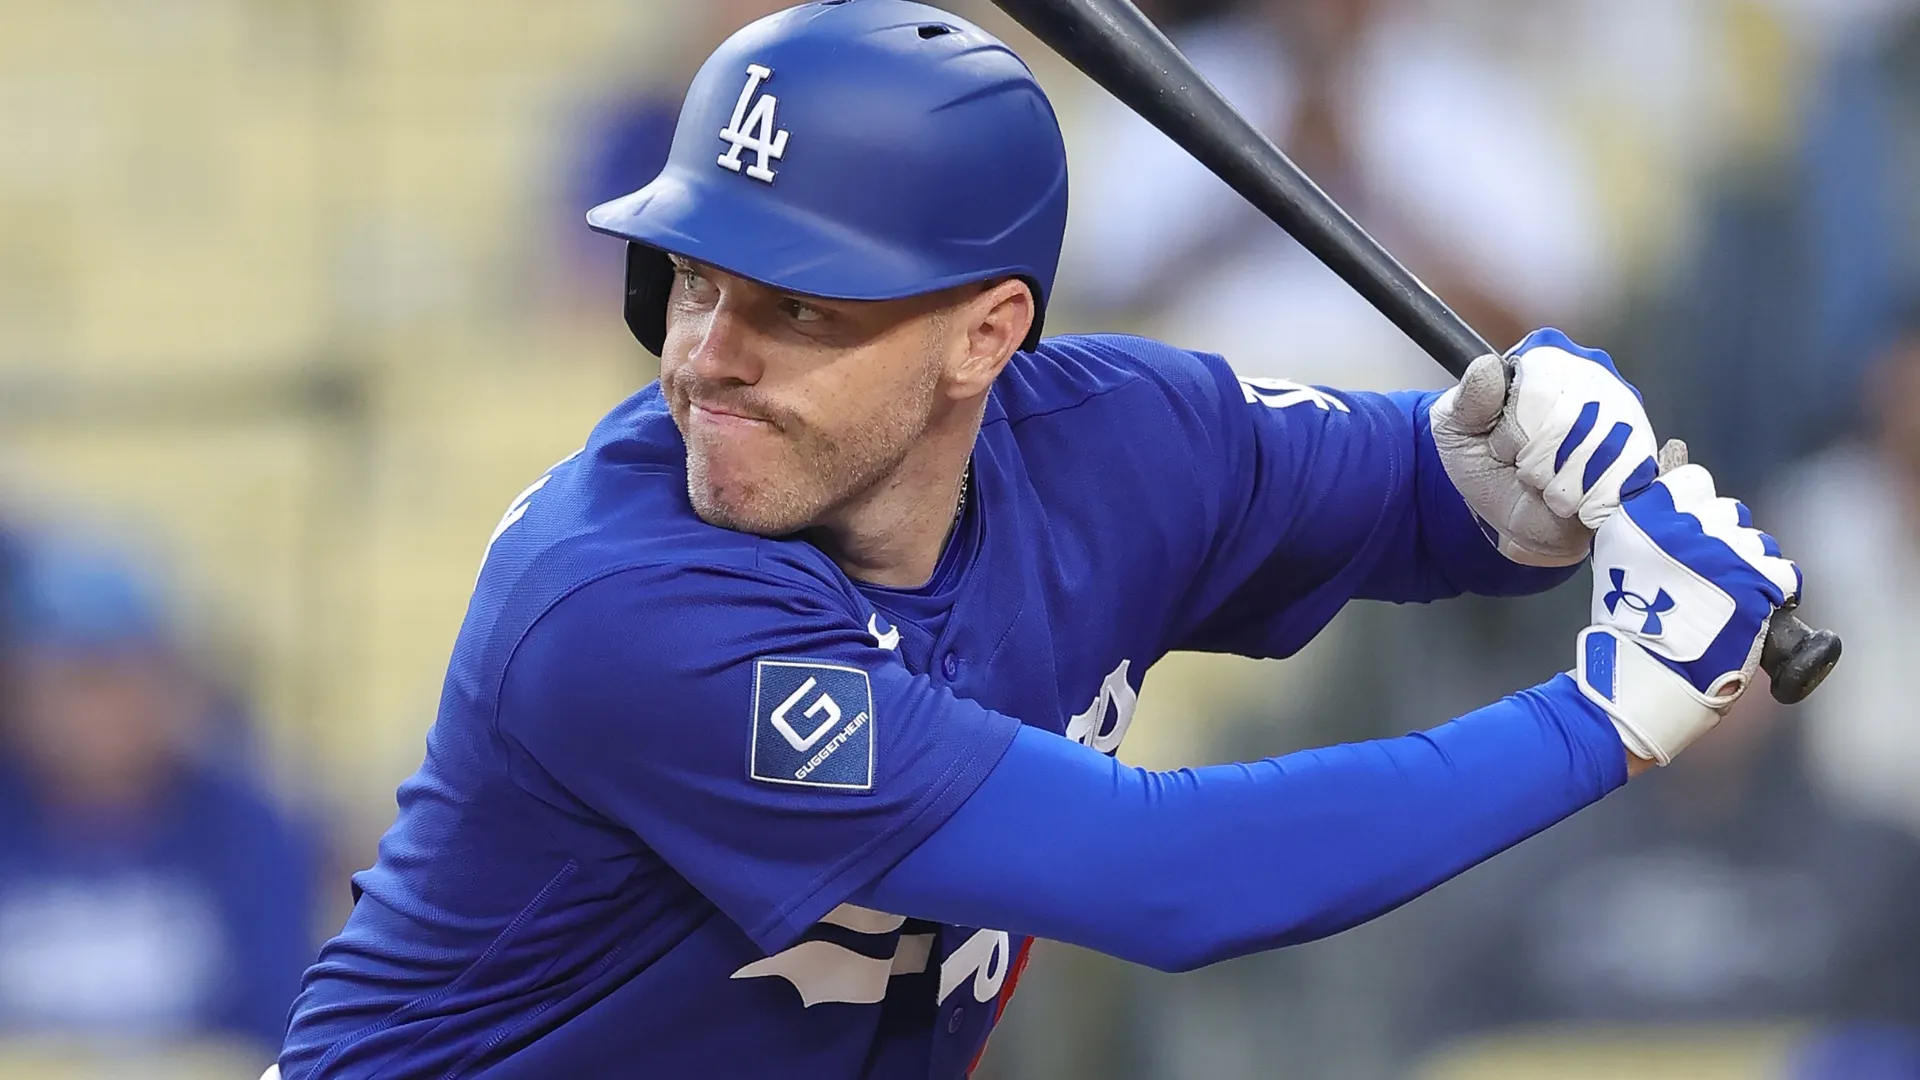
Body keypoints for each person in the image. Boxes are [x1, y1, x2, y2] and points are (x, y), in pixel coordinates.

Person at [276, 3, 1802, 1077]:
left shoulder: (1124, 441)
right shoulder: (622, 608)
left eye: (798, 303)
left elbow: (1422, 485)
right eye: (695, 281)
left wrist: (1508, 484)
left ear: (983, 334)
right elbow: (1175, 879)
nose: (706, 356)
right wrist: (1603, 719)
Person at [0, 539, 315, 1058]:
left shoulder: (244, 828)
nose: (101, 711)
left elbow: (283, 1029)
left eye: (126, 675)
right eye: (78, 682)